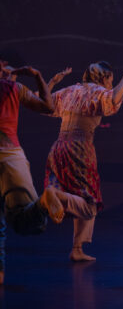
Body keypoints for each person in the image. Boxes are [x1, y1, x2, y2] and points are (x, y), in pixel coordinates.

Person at [45, 61, 123, 261]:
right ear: (103, 78)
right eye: (111, 80)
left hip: (58, 148)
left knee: (81, 196)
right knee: (90, 204)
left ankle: (77, 249)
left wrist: (52, 82)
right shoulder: (97, 92)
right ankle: (57, 196)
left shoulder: (71, 90)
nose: (110, 84)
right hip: (79, 149)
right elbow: (114, 98)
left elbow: (43, 103)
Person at [0, 62, 70, 285]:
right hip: (11, 156)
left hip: (10, 154)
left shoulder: (13, 88)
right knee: (26, 220)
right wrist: (38, 76)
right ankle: (44, 199)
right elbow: (48, 107)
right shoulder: (15, 88)